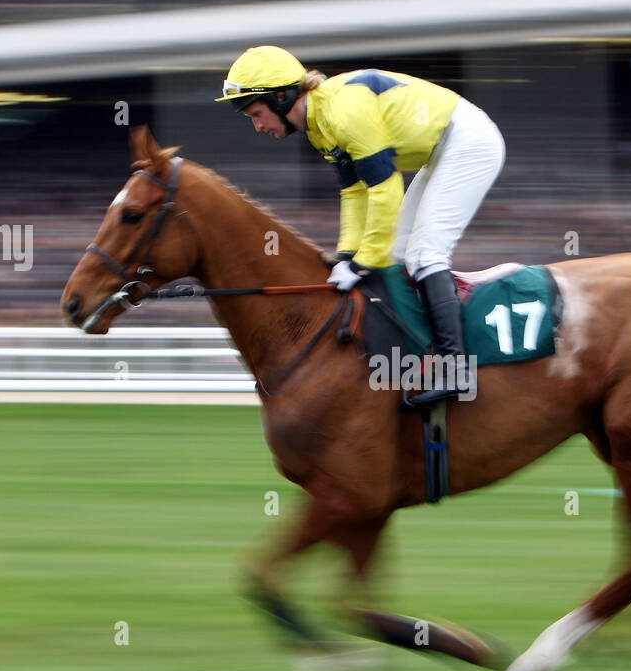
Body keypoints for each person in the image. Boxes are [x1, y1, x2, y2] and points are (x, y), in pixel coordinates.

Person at [216, 45, 505, 405]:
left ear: (280, 97)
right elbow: (354, 193)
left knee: (426, 253)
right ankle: (417, 353)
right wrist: (347, 255)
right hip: (440, 149)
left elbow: (385, 190)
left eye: (257, 114)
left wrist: (362, 262)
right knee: (397, 253)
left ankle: (455, 368)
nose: (258, 126)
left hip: (469, 142)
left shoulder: (343, 113)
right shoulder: (318, 123)